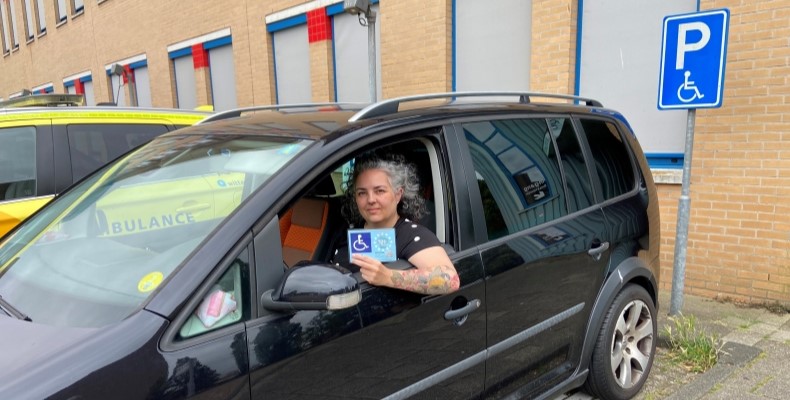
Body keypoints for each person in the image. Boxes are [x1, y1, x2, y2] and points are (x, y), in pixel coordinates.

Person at [334, 154, 460, 295]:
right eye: (362, 193)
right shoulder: (346, 231)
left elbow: (450, 279)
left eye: (379, 191)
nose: (370, 199)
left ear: (398, 194)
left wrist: (388, 277)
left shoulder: (411, 235)